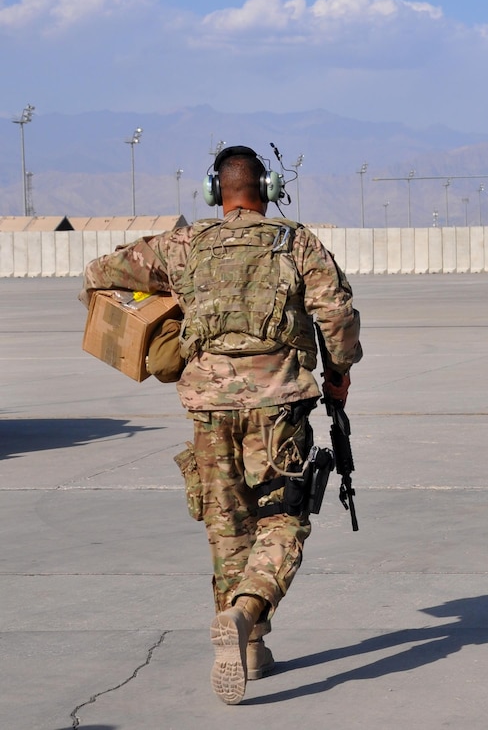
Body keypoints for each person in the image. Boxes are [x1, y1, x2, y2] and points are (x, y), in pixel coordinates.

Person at [79, 145, 362, 705]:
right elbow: (337, 318)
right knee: (283, 521)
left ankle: (249, 649)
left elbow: (99, 273)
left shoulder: (185, 244)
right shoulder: (297, 242)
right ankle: (247, 610)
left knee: (228, 528)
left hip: (208, 410)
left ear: (215, 192)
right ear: (270, 188)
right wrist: (338, 376)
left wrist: (162, 317)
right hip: (277, 408)